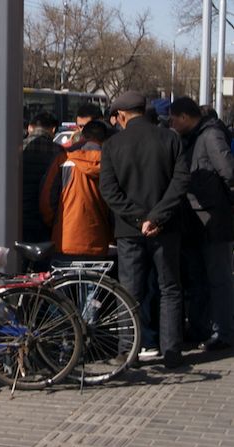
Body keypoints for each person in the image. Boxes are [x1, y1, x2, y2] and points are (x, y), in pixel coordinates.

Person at [99, 90, 191, 369]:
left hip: (129, 231)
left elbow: (109, 191)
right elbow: (181, 181)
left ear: (123, 115)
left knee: (130, 291)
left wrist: (140, 220)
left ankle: (128, 352)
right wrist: (157, 217)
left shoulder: (112, 146)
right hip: (167, 227)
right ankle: (172, 351)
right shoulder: (171, 139)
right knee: (170, 289)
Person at [168, 96, 234, 352]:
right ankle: (200, 328)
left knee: (219, 279)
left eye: (174, 118)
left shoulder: (210, 136)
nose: (171, 123)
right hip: (194, 220)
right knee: (198, 279)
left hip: (214, 220)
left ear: (185, 117)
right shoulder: (189, 138)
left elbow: (228, 173)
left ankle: (225, 332)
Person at [40, 120, 113, 263]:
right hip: (98, 240)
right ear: (104, 140)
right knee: (97, 283)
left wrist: (53, 224)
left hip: (65, 238)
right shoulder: (110, 162)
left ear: (83, 137)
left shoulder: (64, 160)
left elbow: (47, 200)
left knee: (62, 283)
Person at [22, 111, 66, 244]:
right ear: (53, 129)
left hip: (20, 210)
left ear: (31, 127)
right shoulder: (58, 151)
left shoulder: (19, 147)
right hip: (45, 214)